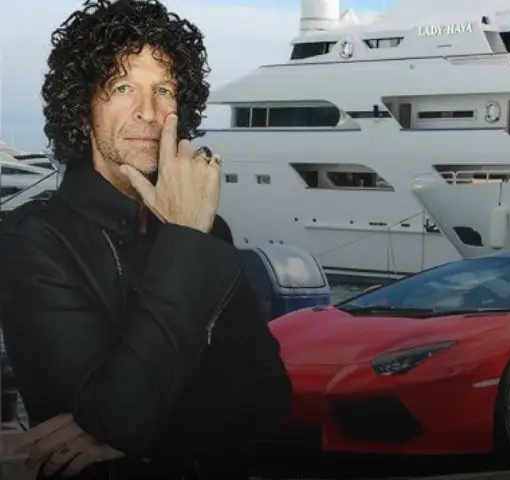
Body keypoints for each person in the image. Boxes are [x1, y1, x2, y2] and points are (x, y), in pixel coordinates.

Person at [0, 0, 292, 478]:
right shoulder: (35, 239)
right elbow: (121, 416)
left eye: (163, 89)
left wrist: (140, 431)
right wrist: (184, 239)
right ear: (82, 110)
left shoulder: (206, 230)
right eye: (122, 87)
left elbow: (267, 397)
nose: (150, 112)